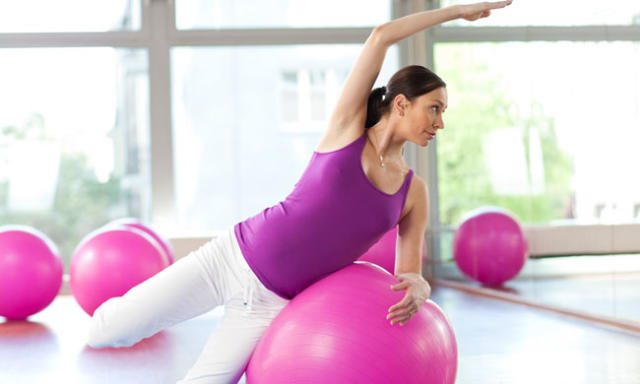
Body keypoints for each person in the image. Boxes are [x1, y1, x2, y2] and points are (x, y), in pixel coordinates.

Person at [86, 1, 513, 383]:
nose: (440, 123)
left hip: (272, 304)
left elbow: (409, 273)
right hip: (231, 258)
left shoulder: (412, 192)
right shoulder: (346, 130)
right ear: (401, 104)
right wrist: (455, 12)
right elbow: (381, 36)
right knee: (108, 330)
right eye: (434, 108)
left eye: (443, 113)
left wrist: (420, 287)